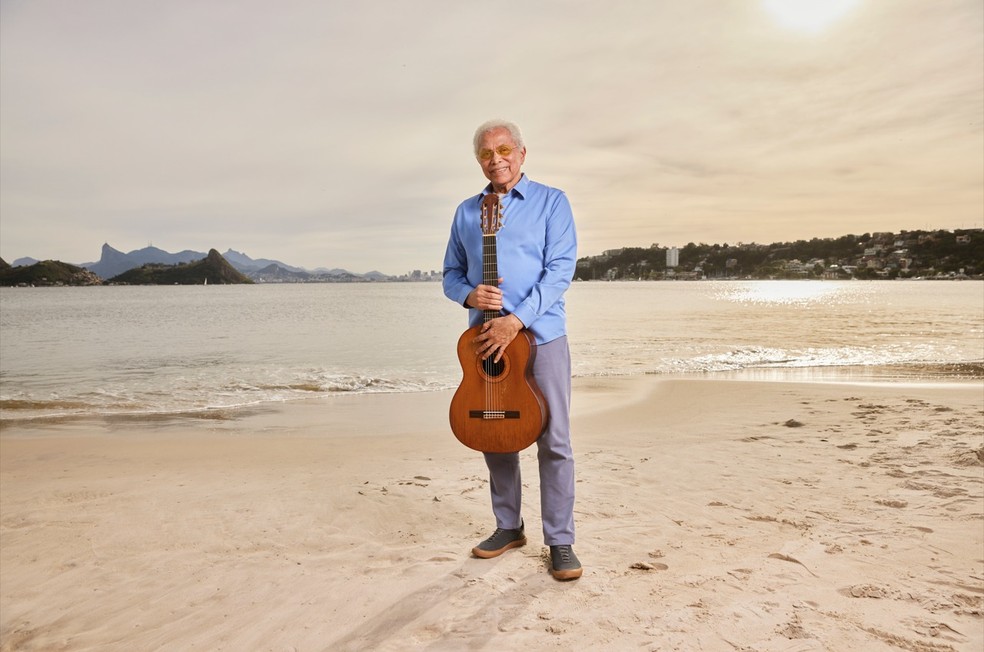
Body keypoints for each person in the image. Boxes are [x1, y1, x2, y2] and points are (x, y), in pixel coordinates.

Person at [442, 119, 581, 580]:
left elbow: (560, 271)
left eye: (504, 149)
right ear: (478, 161)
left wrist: (516, 321)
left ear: (522, 153)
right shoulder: (467, 212)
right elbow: (450, 275)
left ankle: (560, 541)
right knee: (495, 433)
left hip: (542, 338)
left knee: (554, 440)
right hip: (485, 340)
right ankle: (509, 526)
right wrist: (469, 295)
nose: (496, 159)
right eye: (486, 153)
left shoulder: (552, 202)